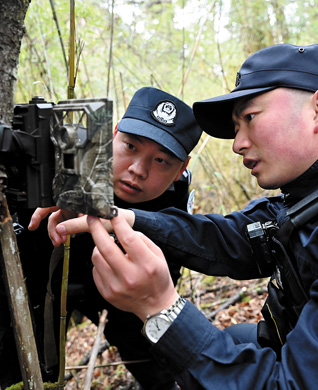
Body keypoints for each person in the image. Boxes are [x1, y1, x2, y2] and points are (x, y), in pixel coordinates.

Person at [36, 44, 318, 389]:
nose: (238, 143)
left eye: (249, 119)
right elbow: (235, 238)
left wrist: (161, 308)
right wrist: (128, 219)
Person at [13, 86, 202, 390]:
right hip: (51, 278)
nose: (138, 170)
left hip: (124, 292)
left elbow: (166, 274)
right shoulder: (69, 156)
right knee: (33, 364)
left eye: (161, 161)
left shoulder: (175, 203)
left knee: (158, 368)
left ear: (182, 168)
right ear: (113, 135)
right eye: (130, 147)